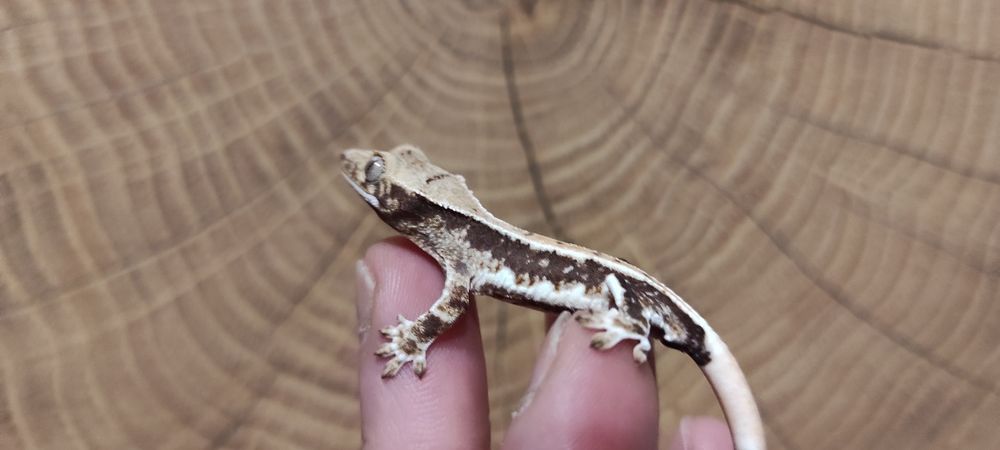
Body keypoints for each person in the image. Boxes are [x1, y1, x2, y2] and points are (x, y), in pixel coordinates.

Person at [355, 237, 734, 449]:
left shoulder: (461, 246)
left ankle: (633, 327)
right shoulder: (457, 251)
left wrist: (414, 339)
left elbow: (452, 303)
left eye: (375, 177)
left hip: (637, 299)